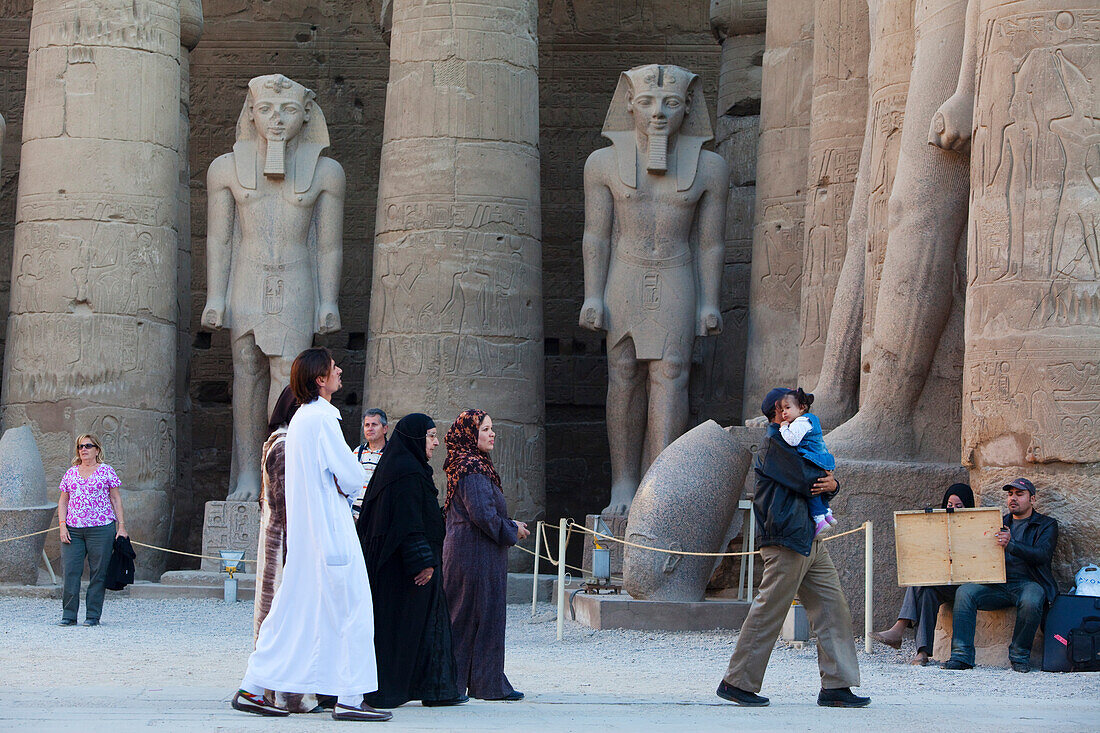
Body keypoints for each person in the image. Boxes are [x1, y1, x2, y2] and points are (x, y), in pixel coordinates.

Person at [232, 347, 391, 722]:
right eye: (334, 369)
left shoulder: (302, 419)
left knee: (291, 614)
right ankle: (351, 697)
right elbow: (352, 476)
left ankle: (254, 686)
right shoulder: (323, 418)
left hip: (307, 537)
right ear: (320, 379)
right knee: (353, 613)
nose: (339, 373)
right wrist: (343, 480)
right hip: (331, 534)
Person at [717, 388, 869, 709]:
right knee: (769, 609)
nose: (799, 409)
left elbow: (818, 478)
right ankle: (737, 682)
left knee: (833, 608)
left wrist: (834, 483)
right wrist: (832, 479)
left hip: (809, 538)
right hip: (787, 539)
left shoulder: (793, 440)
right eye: (792, 405)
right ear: (779, 410)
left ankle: (836, 686)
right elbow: (807, 479)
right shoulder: (775, 443)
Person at [356, 413, 465, 708]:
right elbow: (407, 522)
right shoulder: (405, 472)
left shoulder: (409, 467)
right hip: (408, 570)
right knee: (406, 629)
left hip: (415, 564)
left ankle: (436, 689)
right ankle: (393, 688)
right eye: (430, 436)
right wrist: (422, 562)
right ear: (416, 438)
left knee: (428, 626)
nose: (434, 442)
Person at [442, 409, 529, 701]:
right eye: (485, 429)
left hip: (471, 552)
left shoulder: (471, 464)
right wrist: (512, 529)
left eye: (492, 428)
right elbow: (482, 514)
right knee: (477, 617)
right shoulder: (472, 468)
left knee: (469, 618)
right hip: (474, 555)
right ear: (471, 434)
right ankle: (479, 684)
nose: (492, 433)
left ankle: (475, 683)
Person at [251, 386, 321, 714]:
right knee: (286, 618)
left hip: (281, 539)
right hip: (284, 543)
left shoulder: (285, 442)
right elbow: (285, 503)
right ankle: (283, 693)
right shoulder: (283, 445)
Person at [942, 478, 1058, 673]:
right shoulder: (998, 521)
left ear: (1032, 499)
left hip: (1028, 583)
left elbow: (1042, 555)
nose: (1013, 498)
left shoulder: (1046, 525)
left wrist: (1011, 545)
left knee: (1033, 597)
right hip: (997, 584)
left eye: (1019, 494)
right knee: (965, 592)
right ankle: (961, 656)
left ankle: (1019, 656)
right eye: (1010, 494)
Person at [870, 483, 975, 664]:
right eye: (950, 505)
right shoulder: (938, 526)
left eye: (959, 506)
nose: (953, 509)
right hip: (941, 582)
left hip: (967, 583)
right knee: (926, 592)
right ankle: (922, 653)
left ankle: (900, 627)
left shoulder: (975, 525)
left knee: (922, 581)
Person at [57, 434, 127, 627]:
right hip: (73, 529)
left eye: (88, 445)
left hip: (101, 528)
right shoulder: (71, 472)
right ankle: (69, 615)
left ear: (97, 449)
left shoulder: (106, 471)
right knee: (71, 571)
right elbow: (63, 500)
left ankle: (93, 615)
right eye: (80, 446)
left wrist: (121, 526)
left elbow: (115, 499)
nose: (83, 449)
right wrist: (62, 525)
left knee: (98, 572)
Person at [777, 388, 837, 536]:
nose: (784, 413)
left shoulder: (801, 422)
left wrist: (784, 429)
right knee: (819, 488)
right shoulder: (812, 419)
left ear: (802, 407)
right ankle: (827, 514)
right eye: (782, 409)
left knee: (812, 489)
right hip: (821, 459)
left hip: (811, 459)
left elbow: (792, 440)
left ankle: (819, 520)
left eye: (788, 408)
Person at [352, 408, 389, 520]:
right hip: (355, 514)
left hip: (378, 515)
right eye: (367, 425)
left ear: (385, 428)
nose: (370, 428)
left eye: (374, 424)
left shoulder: (391, 453)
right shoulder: (357, 452)